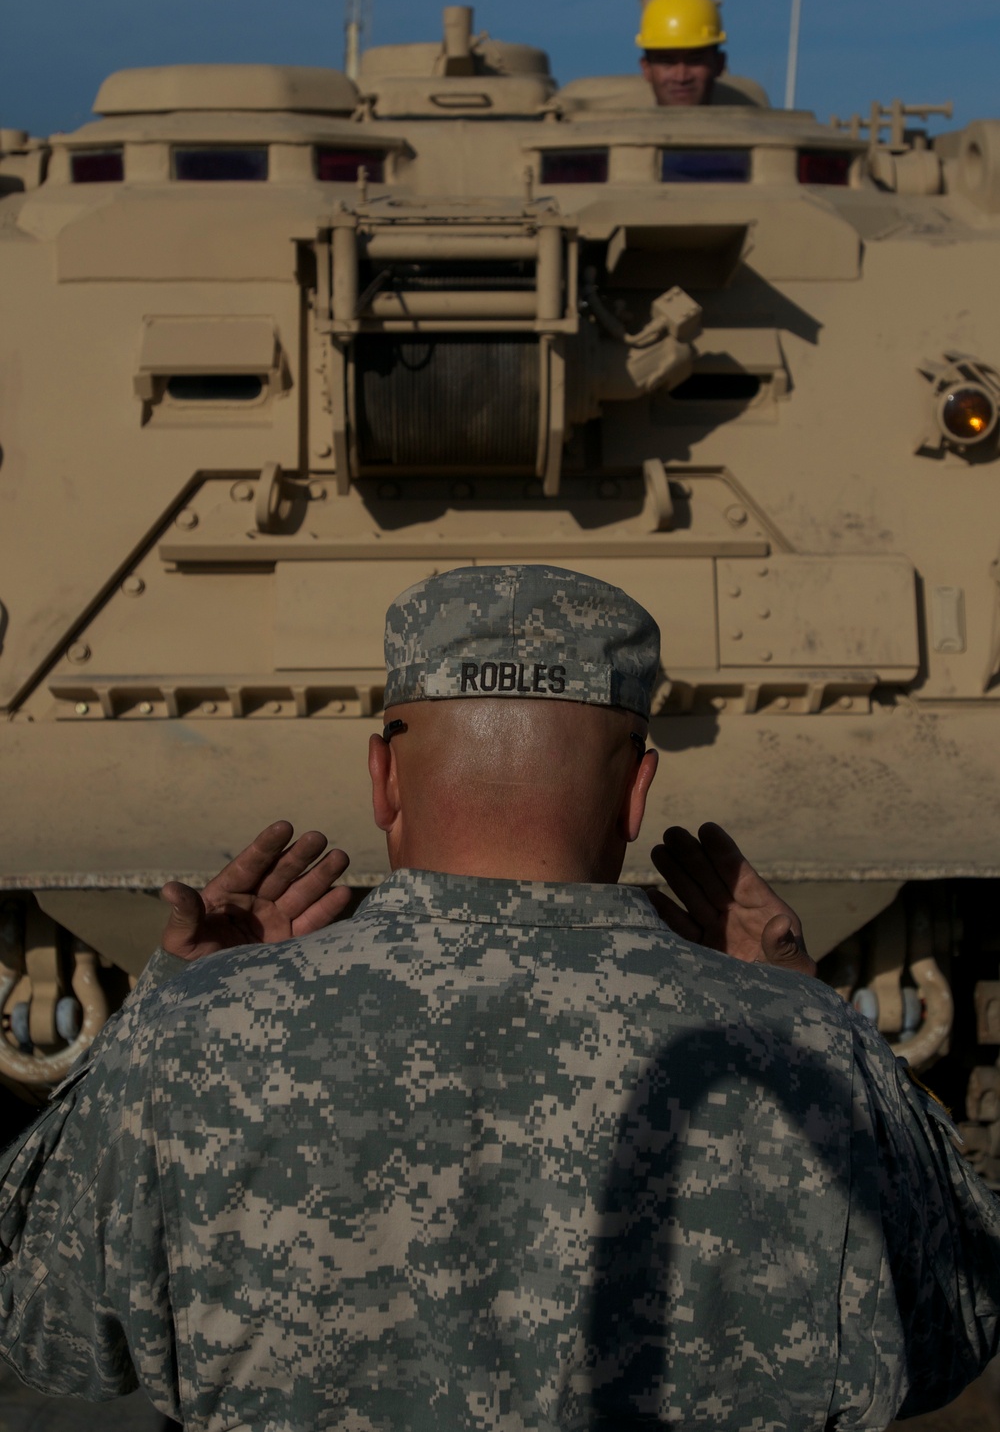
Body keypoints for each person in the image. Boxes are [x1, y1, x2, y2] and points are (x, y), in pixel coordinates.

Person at [2, 562, 1000, 1431]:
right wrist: (807, 1005)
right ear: (635, 794)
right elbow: (951, 1331)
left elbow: (54, 1341)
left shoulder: (190, 1042)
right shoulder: (804, 1058)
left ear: (383, 778)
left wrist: (180, 998)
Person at [637, 0, 728, 107]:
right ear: (646, 68)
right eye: (667, 62)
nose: (681, 77)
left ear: (719, 64)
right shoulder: (616, 126)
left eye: (694, 61)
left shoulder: (751, 124)